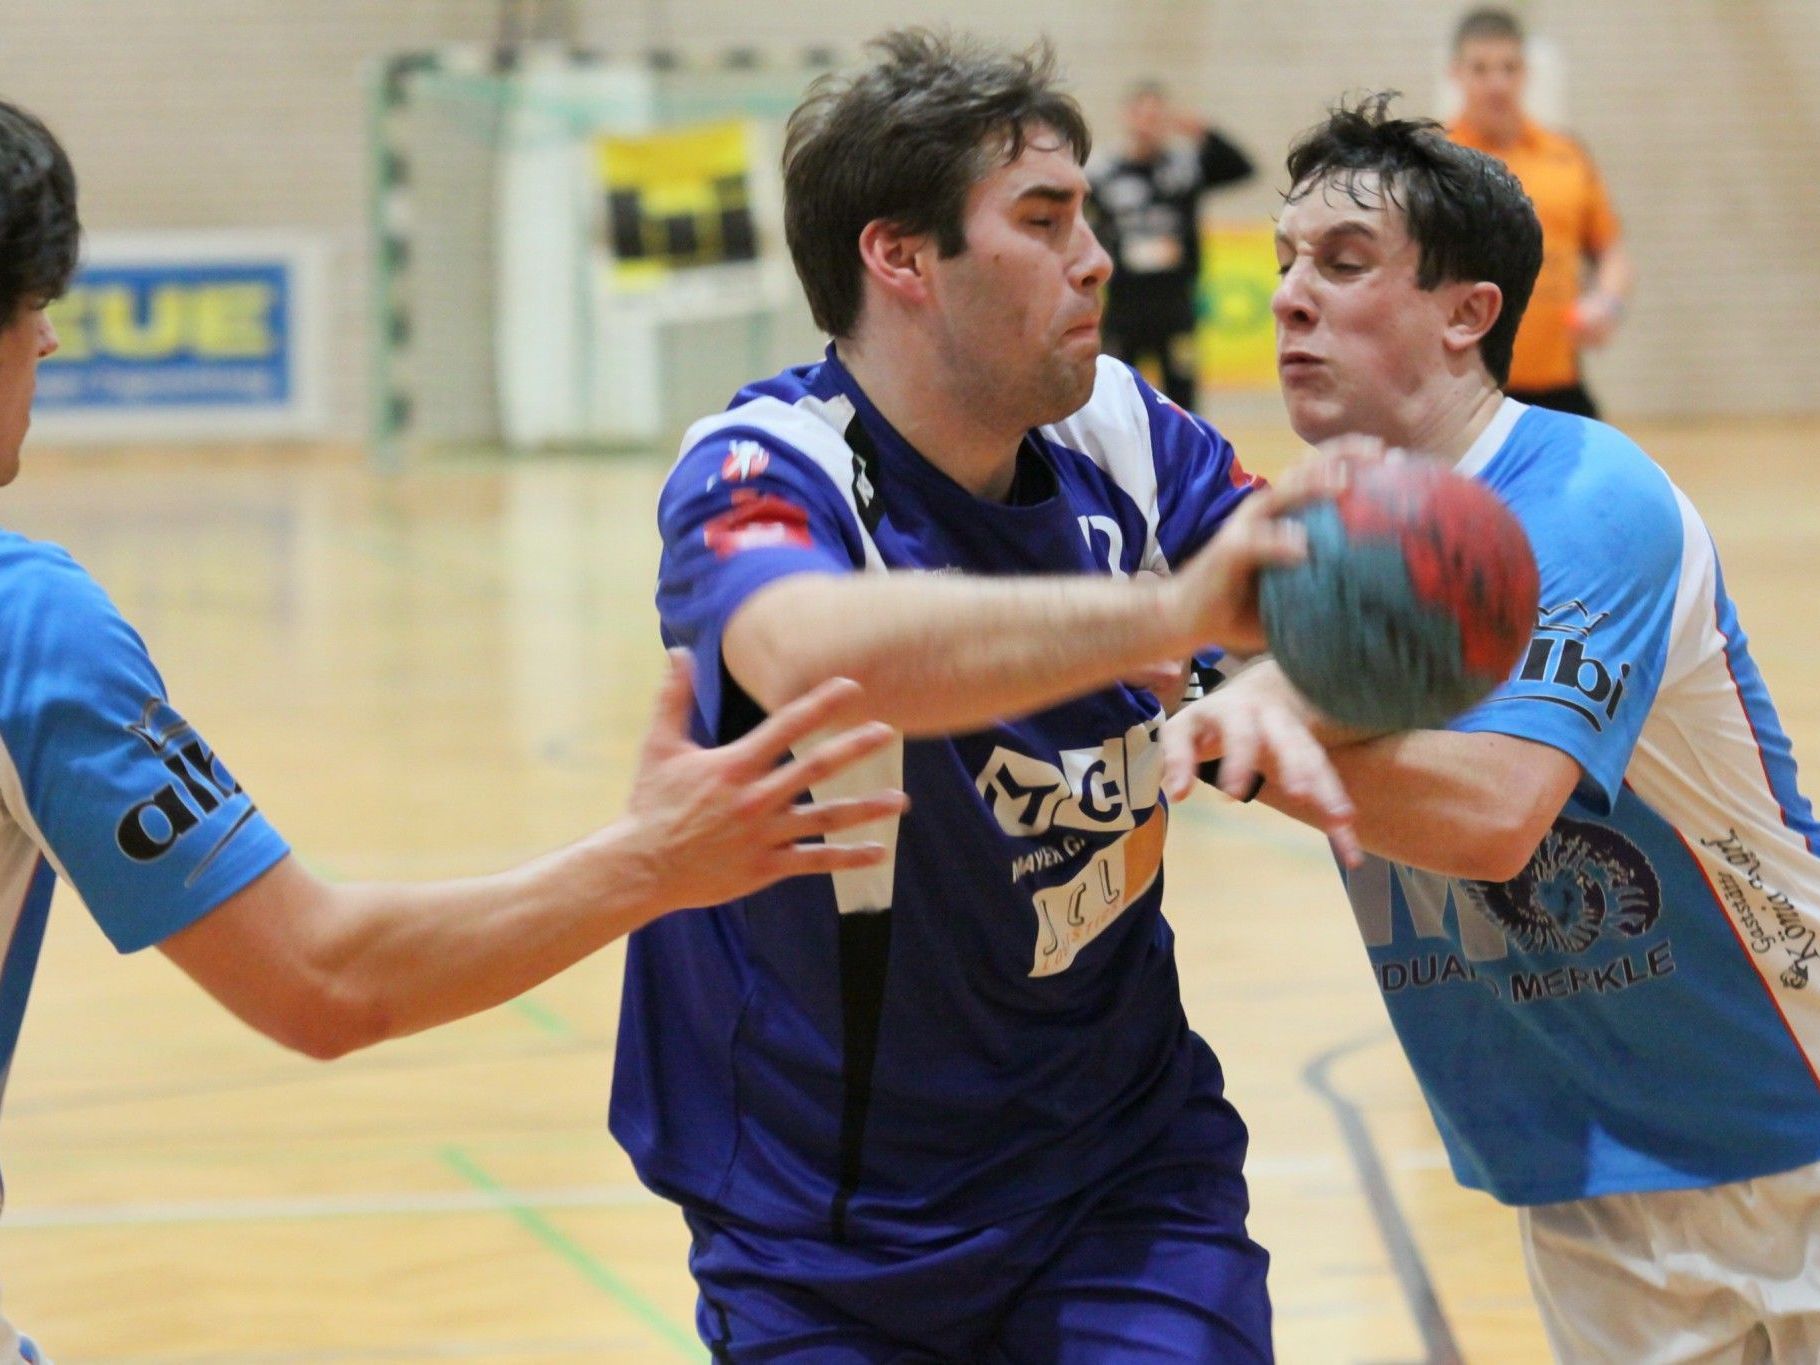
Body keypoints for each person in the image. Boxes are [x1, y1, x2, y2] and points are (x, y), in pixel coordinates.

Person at [0, 98, 911, 1365]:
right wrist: (653, 859)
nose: (46, 337)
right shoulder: (24, 625)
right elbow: (326, 979)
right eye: (30, 302)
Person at [610, 30, 1359, 1363]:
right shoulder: (763, 465)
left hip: (1121, 1179)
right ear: (899, 257)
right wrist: (1171, 619)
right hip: (826, 1231)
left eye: (1086, 214)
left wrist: (1295, 667)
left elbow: (1294, 604)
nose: (1096, 257)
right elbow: (820, 647)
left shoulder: (1124, 434)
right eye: (1044, 218)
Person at [1163, 94, 1820, 1363]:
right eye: (1283, 263)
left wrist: (1224, 724)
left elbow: (1489, 817)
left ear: (1468, 313)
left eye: (1343, 265)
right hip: (1572, 1150)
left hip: (1784, 1115)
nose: (1290, 297)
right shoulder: (1290, 537)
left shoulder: (1586, 492)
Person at [1447, 7, 1632, 418]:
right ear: (1456, 74)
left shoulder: (1567, 155)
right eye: (1481, 69)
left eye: (1509, 68)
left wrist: (1607, 303)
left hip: (1559, 385)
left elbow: (1611, 252)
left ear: (1525, 72)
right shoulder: (1438, 162)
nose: (1497, 83)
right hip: (1467, 391)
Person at [1089, 80, 1253, 413]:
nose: (1148, 124)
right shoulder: (1105, 173)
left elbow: (1242, 168)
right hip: (1125, 304)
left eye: (1156, 116)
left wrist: (1202, 131)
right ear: (1128, 117)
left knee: (1182, 391)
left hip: (1175, 303)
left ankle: (1187, 461)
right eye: (1142, 115)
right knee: (1116, 390)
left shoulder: (1183, 168)